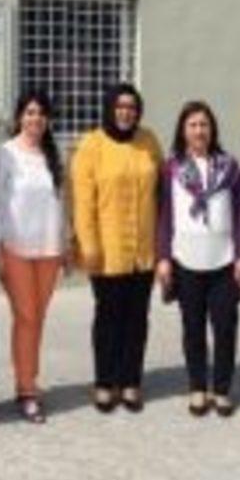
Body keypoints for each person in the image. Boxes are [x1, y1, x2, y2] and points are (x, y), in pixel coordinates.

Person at [70, 83, 164, 413]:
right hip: (106, 251)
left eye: (132, 107)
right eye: (120, 106)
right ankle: (105, 381)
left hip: (143, 249)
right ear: (110, 108)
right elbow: (82, 203)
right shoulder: (91, 145)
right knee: (109, 317)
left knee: (137, 318)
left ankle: (131, 381)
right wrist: (88, 246)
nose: (126, 112)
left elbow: (162, 191)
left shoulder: (149, 141)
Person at [156, 101, 240, 418]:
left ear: (212, 129)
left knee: (225, 327)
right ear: (183, 131)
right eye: (193, 125)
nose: (199, 131)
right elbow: (165, 215)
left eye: (204, 124)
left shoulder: (229, 166)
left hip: (224, 261)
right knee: (192, 327)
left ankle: (221, 389)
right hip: (185, 260)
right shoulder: (172, 167)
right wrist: (164, 257)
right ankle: (197, 387)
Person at [0, 91, 67, 424]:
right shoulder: (5, 154)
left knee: (38, 319)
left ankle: (29, 379)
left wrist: (64, 245)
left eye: (41, 113)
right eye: (30, 112)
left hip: (48, 249)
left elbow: (59, 203)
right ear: (20, 116)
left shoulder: (51, 154)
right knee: (27, 317)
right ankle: (26, 390)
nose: (36, 118)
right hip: (15, 248)